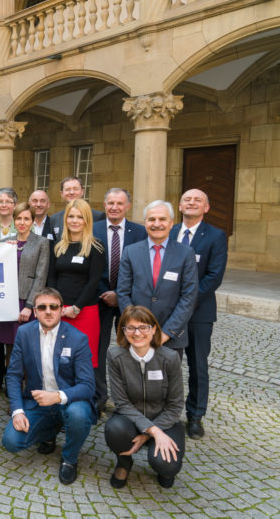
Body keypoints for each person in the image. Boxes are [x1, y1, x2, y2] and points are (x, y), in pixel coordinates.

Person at [2, 287, 96, 485]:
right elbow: (13, 375)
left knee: (79, 415)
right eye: (42, 307)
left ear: (62, 309)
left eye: (53, 306)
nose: (48, 311)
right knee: (11, 442)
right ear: (34, 311)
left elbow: (88, 386)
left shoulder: (78, 338)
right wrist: (17, 411)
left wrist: (58, 396)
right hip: (37, 402)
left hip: (70, 401)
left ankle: (69, 458)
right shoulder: (24, 333)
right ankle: (49, 431)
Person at [105, 305, 185, 489]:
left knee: (167, 466)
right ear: (123, 331)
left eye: (143, 327)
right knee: (114, 429)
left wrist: (148, 433)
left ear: (154, 329)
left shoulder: (170, 358)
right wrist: (153, 432)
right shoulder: (115, 356)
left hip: (165, 421)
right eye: (131, 327)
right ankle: (124, 462)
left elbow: (175, 405)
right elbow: (121, 403)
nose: (137, 333)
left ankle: (162, 468)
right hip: (130, 418)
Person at [171, 189, 227, 439]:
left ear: (206, 208)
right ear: (180, 206)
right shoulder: (170, 232)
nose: (191, 203)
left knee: (197, 365)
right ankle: (166, 412)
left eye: (198, 200)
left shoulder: (215, 236)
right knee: (167, 363)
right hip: (168, 312)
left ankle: (195, 416)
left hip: (198, 312)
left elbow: (214, 276)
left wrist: (186, 302)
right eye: (187, 200)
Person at [117, 200, 199, 358]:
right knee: (135, 381)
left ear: (171, 223)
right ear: (145, 222)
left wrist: (166, 333)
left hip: (170, 337)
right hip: (136, 336)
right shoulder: (130, 252)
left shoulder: (186, 253)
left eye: (162, 219)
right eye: (151, 219)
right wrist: (137, 328)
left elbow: (189, 297)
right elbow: (123, 292)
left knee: (167, 382)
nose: (157, 224)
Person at [92, 188, 146, 413]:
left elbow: (142, 268)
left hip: (129, 301)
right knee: (98, 350)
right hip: (99, 298)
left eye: (120, 203)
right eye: (111, 203)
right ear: (104, 204)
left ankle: (128, 401)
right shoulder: (92, 229)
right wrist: (106, 292)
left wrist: (120, 294)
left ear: (128, 206)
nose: (115, 207)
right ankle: (99, 398)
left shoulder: (140, 232)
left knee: (131, 350)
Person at [0, 202, 50, 387]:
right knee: (10, 349)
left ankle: (31, 390)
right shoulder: (5, 243)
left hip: (27, 303)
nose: (22, 222)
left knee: (29, 348)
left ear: (33, 221)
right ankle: (14, 391)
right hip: (7, 303)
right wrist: (5, 251)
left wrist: (29, 306)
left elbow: (41, 276)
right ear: (13, 220)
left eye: (26, 218)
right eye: (18, 218)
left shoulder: (41, 243)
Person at [47, 198, 105, 369]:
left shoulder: (96, 247)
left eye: (80, 217)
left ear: (87, 220)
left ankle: (84, 395)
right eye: (71, 216)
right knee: (59, 358)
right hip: (60, 312)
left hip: (85, 311)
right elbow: (51, 278)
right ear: (65, 219)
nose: (74, 221)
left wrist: (77, 307)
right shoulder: (58, 246)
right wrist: (57, 307)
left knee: (84, 359)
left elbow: (94, 281)